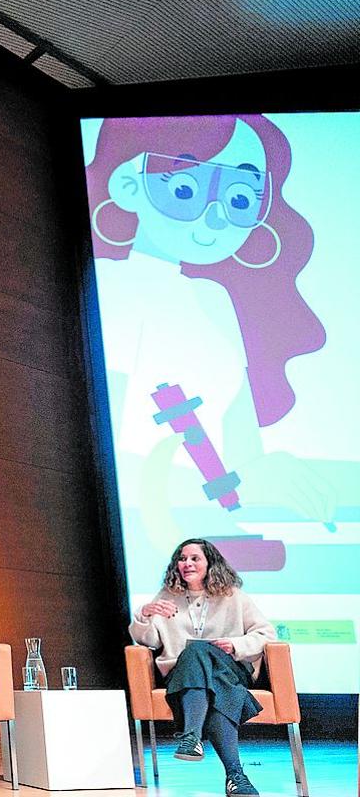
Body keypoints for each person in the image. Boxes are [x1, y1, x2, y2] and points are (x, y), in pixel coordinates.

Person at [85, 115, 332, 528]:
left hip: (204, 531)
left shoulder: (213, 299)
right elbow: (107, 444)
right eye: (185, 190)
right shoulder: (112, 286)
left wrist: (262, 473)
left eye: (240, 199)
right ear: (128, 185)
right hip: (154, 526)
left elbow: (241, 447)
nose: (216, 219)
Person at [129, 538, 277, 796]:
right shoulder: (167, 597)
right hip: (184, 674)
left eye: (194, 558)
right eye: (182, 558)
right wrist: (144, 614)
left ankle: (191, 736)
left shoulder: (234, 596)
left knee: (198, 650)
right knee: (211, 678)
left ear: (210, 563)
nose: (187, 563)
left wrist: (235, 644)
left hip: (229, 666)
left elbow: (267, 634)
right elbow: (150, 641)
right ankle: (236, 777)